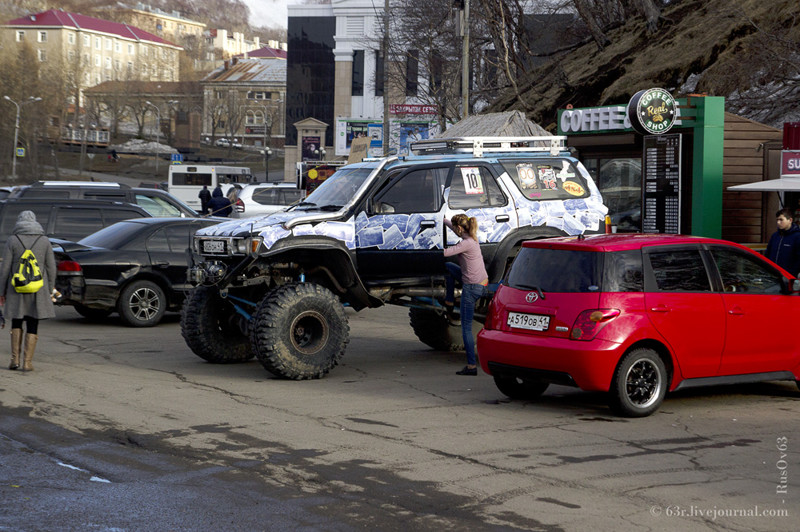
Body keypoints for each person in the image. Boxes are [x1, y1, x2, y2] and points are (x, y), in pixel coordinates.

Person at [0, 211, 56, 371]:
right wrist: (50, 287)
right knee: (33, 321)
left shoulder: (13, 240)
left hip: (16, 288)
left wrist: (1, 290)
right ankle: (27, 362)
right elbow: (51, 267)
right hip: (38, 288)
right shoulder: (44, 241)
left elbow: (5, 269)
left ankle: (14, 360)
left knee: (17, 320)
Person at [443, 214, 488, 376]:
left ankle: (471, 366)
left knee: (466, 329)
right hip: (482, 283)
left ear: (459, 229)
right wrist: (443, 219)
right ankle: (449, 300)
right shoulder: (471, 237)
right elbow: (451, 224)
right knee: (448, 267)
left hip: (471, 289)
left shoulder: (466, 244)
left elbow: (446, 253)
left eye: (455, 228)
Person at [765, 208, 800, 277]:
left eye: (781, 220)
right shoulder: (775, 236)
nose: (778, 222)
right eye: (777, 220)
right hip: (772, 275)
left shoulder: (797, 236)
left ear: (790, 220)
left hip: (788, 277)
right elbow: (767, 254)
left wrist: (792, 274)